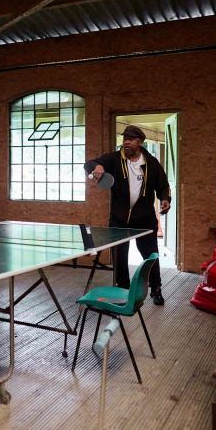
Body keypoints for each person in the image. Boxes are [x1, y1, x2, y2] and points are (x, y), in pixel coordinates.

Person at [84, 125, 171, 306]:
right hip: (119, 219)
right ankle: (123, 288)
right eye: (125, 139)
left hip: (145, 220)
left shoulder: (151, 163)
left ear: (140, 142)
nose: (127, 142)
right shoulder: (114, 159)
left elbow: (163, 185)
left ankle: (156, 288)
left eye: (131, 139)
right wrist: (97, 166)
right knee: (119, 257)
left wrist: (165, 199)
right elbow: (89, 164)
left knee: (150, 256)